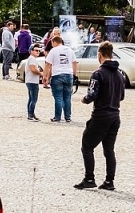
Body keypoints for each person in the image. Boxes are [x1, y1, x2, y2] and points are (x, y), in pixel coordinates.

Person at [74, 41, 125, 191]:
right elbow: (121, 96)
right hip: (115, 115)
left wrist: (84, 99)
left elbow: (92, 94)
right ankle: (109, 181)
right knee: (109, 149)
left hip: (101, 115)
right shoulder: (120, 74)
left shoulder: (98, 73)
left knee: (87, 146)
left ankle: (89, 178)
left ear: (100, 55)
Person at [47, 31, 76, 122]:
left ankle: (57, 117)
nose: (52, 45)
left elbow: (48, 64)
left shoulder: (53, 50)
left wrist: (45, 77)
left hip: (57, 75)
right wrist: (74, 75)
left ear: (55, 42)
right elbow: (74, 62)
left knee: (58, 97)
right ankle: (68, 117)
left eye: (52, 43)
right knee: (67, 97)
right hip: (68, 74)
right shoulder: (69, 50)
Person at [22, 44, 47, 120]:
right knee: (34, 99)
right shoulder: (32, 59)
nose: (38, 52)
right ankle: (30, 115)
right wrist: (41, 73)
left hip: (30, 81)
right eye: (36, 50)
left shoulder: (32, 59)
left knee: (31, 98)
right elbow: (33, 69)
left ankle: (31, 113)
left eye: (39, 50)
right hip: (32, 81)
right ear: (31, 51)